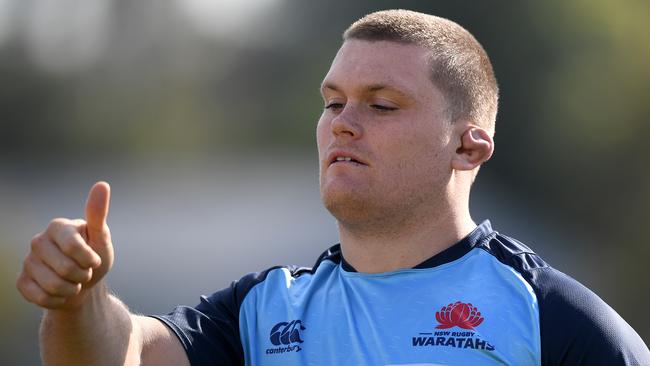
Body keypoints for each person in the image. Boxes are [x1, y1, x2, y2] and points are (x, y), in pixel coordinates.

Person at [16, 9, 649, 366]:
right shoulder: (265, 313)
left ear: (467, 144)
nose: (343, 122)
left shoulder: (555, 323)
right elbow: (117, 356)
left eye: (382, 104)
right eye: (333, 101)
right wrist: (77, 302)